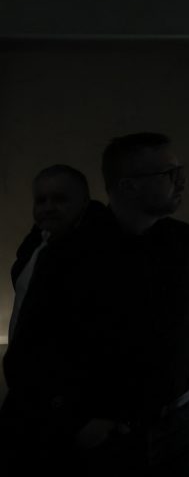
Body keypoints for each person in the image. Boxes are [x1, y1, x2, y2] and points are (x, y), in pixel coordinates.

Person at [73, 132, 189, 475]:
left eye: (180, 170)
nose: (181, 181)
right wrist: (76, 423)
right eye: (168, 174)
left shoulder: (188, 243)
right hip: (110, 440)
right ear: (128, 187)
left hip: (180, 426)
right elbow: (36, 351)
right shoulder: (73, 255)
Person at [0, 165, 113, 473]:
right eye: (41, 200)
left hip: (70, 411)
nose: (48, 207)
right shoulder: (41, 242)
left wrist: (90, 416)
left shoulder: (100, 255)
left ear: (84, 202)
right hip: (34, 401)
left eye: (60, 199)